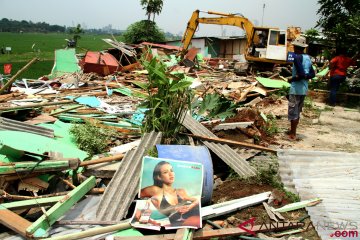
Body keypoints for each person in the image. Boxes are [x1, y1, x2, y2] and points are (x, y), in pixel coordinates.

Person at [140, 161, 200, 227]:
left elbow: (197, 200)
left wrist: (190, 206)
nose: (171, 174)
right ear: (159, 177)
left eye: (171, 170)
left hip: (193, 213)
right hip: (179, 220)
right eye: (165, 172)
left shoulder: (180, 191)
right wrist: (147, 200)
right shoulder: (155, 190)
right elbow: (136, 195)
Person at [287, 36, 315, 141]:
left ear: (295, 47)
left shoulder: (297, 57)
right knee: (297, 111)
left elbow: (301, 74)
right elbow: (312, 74)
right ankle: (293, 131)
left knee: (293, 111)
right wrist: (304, 77)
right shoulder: (308, 58)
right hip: (304, 88)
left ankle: (293, 133)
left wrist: (292, 79)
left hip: (296, 89)